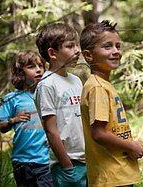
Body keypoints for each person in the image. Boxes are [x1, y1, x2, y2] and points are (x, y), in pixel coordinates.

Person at [79, 20, 143, 187]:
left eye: (118, 46)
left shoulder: (103, 85)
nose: (116, 52)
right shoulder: (97, 87)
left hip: (117, 173)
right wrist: (131, 146)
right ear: (88, 55)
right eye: (107, 47)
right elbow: (99, 133)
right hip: (110, 176)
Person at [35, 23, 87, 187]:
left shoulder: (76, 80)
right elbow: (51, 130)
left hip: (87, 159)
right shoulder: (47, 84)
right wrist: (67, 166)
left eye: (76, 45)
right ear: (52, 53)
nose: (77, 50)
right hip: (68, 163)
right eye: (70, 46)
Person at [0, 50, 53, 187]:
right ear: (20, 73)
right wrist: (14, 120)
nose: (38, 70)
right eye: (31, 67)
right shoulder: (12, 98)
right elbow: (1, 126)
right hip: (21, 159)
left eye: (41, 66)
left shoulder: (49, 94)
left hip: (46, 159)